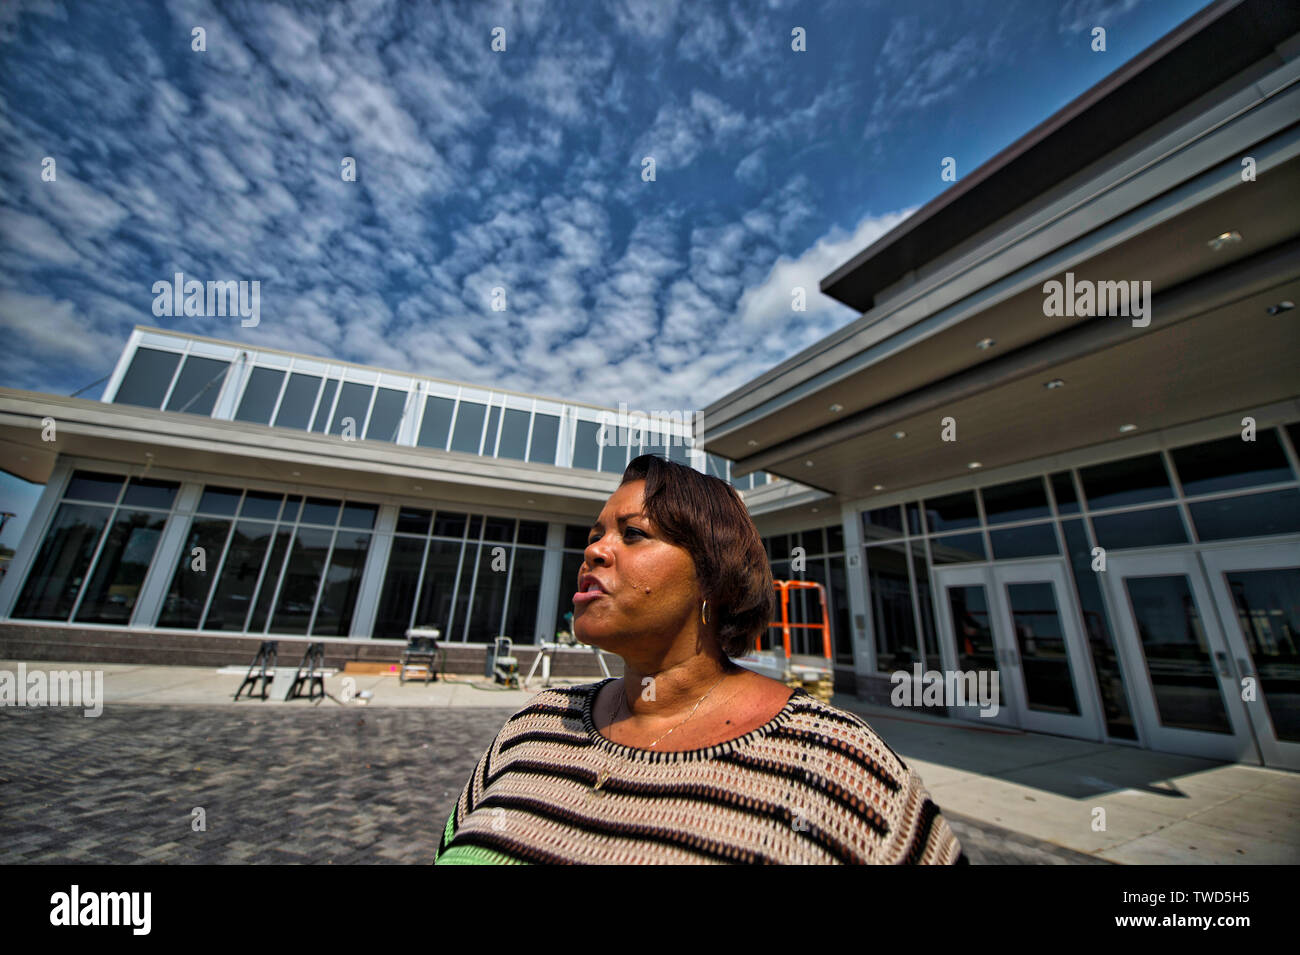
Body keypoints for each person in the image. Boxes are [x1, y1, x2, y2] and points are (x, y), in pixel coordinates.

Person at [433, 454, 968, 864]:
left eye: (634, 534)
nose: (594, 550)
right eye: (595, 535)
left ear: (712, 576)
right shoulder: (533, 725)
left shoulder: (835, 762)